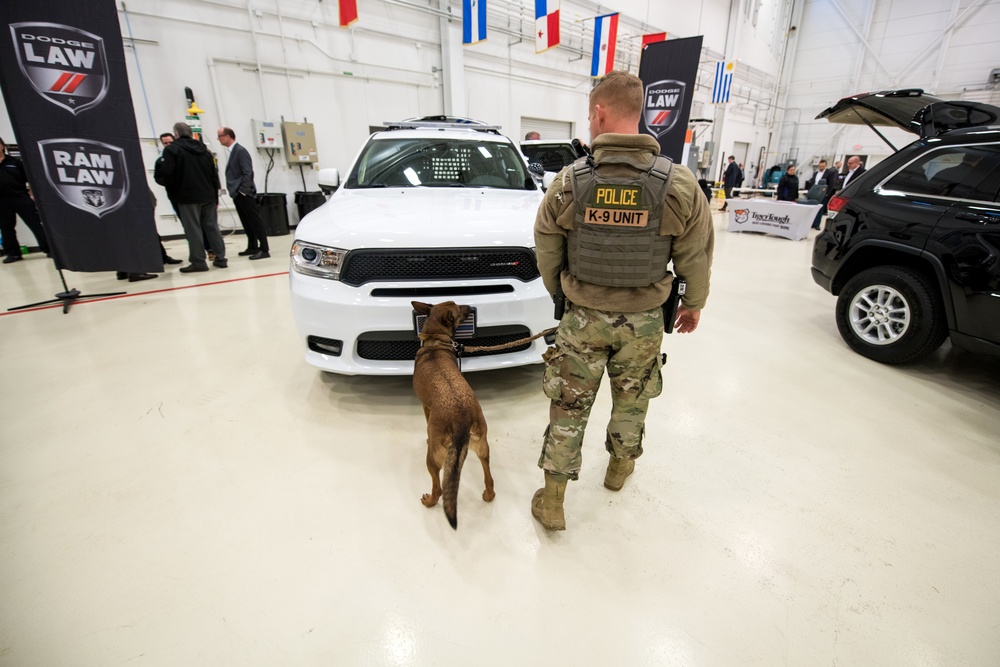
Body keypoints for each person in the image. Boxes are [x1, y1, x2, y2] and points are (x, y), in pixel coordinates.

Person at [531, 70, 715, 531]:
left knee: (569, 404)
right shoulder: (680, 183)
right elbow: (696, 251)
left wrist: (562, 292)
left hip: (582, 317)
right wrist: (694, 301)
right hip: (646, 320)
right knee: (632, 399)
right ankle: (618, 470)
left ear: (599, 113)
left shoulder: (568, 182)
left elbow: (546, 244)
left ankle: (553, 500)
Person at [154, 122, 227, 272]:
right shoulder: (204, 150)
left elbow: (168, 175)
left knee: (193, 229)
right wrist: (215, 196)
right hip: (208, 196)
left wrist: (173, 191)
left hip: (186, 197)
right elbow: (214, 174)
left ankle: (198, 262)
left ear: (176, 134)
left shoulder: (172, 151)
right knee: (212, 228)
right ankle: (221, 258)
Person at [217, 127, 269, 259]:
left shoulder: (240, 151)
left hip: (244, 193)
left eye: (220, 136)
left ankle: (264, 249)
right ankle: (252, 246)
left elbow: (248, 172)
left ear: (228, 136)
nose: (218, 139)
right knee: (246, 221)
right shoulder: (233, 151)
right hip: (237, 193)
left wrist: (243, 191)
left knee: (255, 221)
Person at [0, 137, 51, 264]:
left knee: (35, 224)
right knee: (6, 228)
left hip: (21, 197)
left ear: (2, 146)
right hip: (2, 201)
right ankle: (13, 253)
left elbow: (31, 180)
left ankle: (49, 249)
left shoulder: (15, 162)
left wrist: (32, 195)